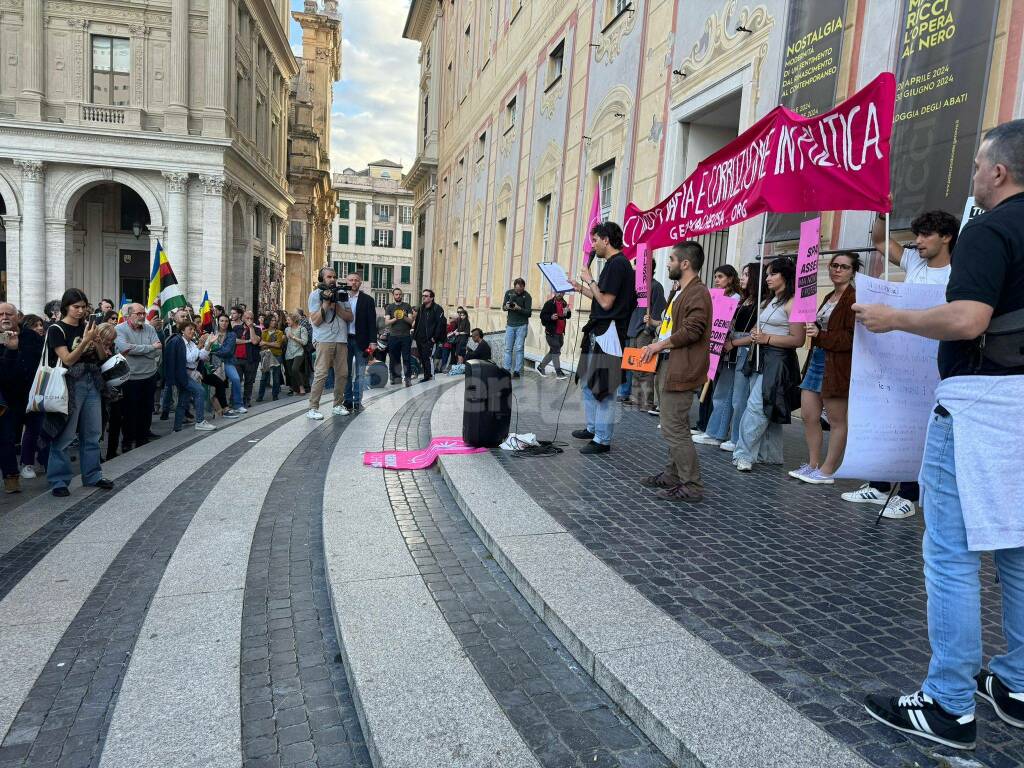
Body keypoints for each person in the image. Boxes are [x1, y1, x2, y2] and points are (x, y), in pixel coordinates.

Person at [859, 120, 1024, 752]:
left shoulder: (990, 228)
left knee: (950, 554)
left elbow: (967, 318)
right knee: (1016, 546)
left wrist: (895, 316)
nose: (975, 176)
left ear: (999, 172)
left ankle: (949, 703)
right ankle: (1015, 683)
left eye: (979, 165)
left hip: (979, 402)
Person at [841, 207, 960, 518]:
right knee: (892, 418)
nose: (918, 241)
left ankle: (910, 493)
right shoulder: (913, 260)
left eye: (925, 235)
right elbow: (880, 242)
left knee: (920, 424)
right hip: (900, 353)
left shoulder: (958, 272)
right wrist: (882, 213)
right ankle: (879, 485)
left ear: (946, 237)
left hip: (932, 358)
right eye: (917, 234)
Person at [638, 242, 712, 502]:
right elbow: (672, 326)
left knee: (673, 427)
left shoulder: (698, 293)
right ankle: (673, 473)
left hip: (680, 366)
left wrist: (658, 344)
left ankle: (692, 485)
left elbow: (693, 330)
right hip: (669, 363)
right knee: (673, 425)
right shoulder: (682, 291)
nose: (667, 263)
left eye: (671, 259)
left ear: (685, 264)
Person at [790, 252, 858, 484]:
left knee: (837, 419)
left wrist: (822, 334)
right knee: (809, 414)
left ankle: (828, 470)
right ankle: (812, 464)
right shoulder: (829, 295)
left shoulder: (853, 298)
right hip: (817, 360)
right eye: (834, 265)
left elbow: (851, 338)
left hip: (837, 364)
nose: (837, 270)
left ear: (853, 271)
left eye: (844, 267)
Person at [731, 258, 806, 472]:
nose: (768, 278)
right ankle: (771, 454)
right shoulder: (769, 301)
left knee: (756, 407)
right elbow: (758, 329)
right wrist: (753, 336)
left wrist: (767, 338)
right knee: (767, 406)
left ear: (785, 276)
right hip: (760, 356)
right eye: (767, 274)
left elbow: (798, 340)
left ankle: (744, 454)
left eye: (773, 274)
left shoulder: (794, 303)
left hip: (778, 360)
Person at [570, 221, 637, 454]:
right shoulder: (613, 263)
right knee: (589, 382)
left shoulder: (618, 264)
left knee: (605, 387)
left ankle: (602, 439)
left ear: (606, 240)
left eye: (596, 240)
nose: (594, 245)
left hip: (610, 334)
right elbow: (603, 298)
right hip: (599, 330)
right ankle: (593, 427)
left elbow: (607, 303)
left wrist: (589, 279)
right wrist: (580, 288)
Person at [45, 289, 115, 498]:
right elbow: (67, 359)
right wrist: (85, 341)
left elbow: (101, 357)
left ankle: (92, 475)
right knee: (65, 435)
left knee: (92, 433)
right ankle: (59, 480)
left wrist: (97, 342)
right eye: (76, 307)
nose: (80, 311)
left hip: (92, 382)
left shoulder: (87, 326)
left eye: (83, 307)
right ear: (66, 306)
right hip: (68, 384)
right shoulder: (56, 329)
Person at [693, 265, 742, 446]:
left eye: (720, 276)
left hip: (728, 351)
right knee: (716, 392)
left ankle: (716, 432)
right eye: (715, 276)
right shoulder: (717, 297)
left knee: (723, 393)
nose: (717, 280)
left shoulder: (736, 299)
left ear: (730, 279)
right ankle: (711, 430)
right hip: (716, 349)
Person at [114, 303, 162, 456]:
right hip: (130, 377)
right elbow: (124, 349)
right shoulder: (119, 329)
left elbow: (158, 350)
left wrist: (139, 350)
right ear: (129, 315)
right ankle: (127, 441)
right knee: (129, 412)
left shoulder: (150, 328)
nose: (142, 316)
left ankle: (142, 439)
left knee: (147, 410)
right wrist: (149, 348)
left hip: (149, 375)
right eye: (138, 314)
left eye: (143, 313)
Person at [307, 266, 353, 420]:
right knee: (321, 374)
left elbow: (349, 317)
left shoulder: (342, 295)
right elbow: (316, 321)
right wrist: (326, 304)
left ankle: (338, 405)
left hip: (341, 339)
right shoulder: (315, 295)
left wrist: (336, 306)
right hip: (324, 339)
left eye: (334, 277)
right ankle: (313, 408)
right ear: (322, 279)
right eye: (329, 277)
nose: (332, 280)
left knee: (343, 373)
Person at [618, 261, 668, 402]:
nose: (636, 270)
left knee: (645, 367)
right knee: (634, 367)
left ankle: (647, 400)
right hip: (632, 330)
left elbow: (658, 311)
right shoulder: (636, 287)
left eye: (639, 267)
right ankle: (636, 397)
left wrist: (648, 330)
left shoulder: (656, 287)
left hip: (643, 332)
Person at [165, 321, 215, 432]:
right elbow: (189, 358)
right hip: (182, 375)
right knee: (200, 391)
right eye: (190, 329)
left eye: (194, 329)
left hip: (189, 374)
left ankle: (176, 429)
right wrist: (200, 344)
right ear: (182, 331)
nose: (193, 331)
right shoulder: (178, 341)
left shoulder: (191, 343)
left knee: (183, 400)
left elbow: (201, 356)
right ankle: (200, 421)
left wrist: (208, 344)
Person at [17, 315, 48, 479]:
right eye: (35, 325)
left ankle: (39, 460)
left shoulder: (40, 342)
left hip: (38, 390)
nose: (40, 328)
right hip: (28, 392)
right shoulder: (30, 341)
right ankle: (28, 463)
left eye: (41, 324)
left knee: (38, 427)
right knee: (34, 428)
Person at [0, 302, 26, 493]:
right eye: (0, 314)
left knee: (6, 439)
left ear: (17, 317)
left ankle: (11, 477)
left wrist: (12, 350)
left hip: (13, 399)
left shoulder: (29, 337)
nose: (4, 317)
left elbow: (16, 374)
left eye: (9, 314)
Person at [344, 273, 378, 411]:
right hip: (344, 340)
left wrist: (373, 342)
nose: (353, 282)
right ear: (347, 282)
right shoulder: (341, 298)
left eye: (356, 280)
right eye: (351, 280)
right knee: (345, 373)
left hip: (361, 341)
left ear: (360, 283)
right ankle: (347, 400)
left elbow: (372, 322)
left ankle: (357, 401)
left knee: (360, 372)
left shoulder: (368, 300)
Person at [207, 315, 243, 417]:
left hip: (227, 361)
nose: (224, 323)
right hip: (214, 363)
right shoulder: (212, 334)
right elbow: (207, 348)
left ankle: (238, 405)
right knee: (218, 385)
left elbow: (228, 351)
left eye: (226, 321)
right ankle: (219, 407)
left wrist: (213, 351)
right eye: (222, 321)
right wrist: (212, 350)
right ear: (218, 322)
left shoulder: (232, 334)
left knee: (236, 379)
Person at [412, 288, 446, 382]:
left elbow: (440, 324)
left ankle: (430, 376)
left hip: (430, 339)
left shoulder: (437, 308)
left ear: (431, 298)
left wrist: (434, 338)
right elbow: (418, 321)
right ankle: (426, 376)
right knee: (423, 357)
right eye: (423, 296)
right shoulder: (422, 307)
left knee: (428, 358)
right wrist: (415, 335)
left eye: (426, 296)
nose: (424, 297)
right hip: (420, 338)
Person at [502, 278, 532, 378]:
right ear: (514, 287)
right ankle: (506, 370)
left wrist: (518, 308)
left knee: (519, 349)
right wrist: (506, 307)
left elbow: (529, 313)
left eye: (520, 289)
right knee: (507, 349)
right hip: (510, 324)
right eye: (516, 289)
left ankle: (517, 371)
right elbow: (503, 308)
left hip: (522, 325)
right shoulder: (508, 293)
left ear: (523, 287)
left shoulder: (527, 296)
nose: (518, 291)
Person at [384, 287, 415, 386]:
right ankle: (395, 377)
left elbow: (411, 322)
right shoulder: (390, 307)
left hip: (405, 336)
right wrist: (396, 318)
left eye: (400, 294)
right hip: (393, 336)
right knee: (394, 358)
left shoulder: (407, 306)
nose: (398, 296)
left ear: (402, 295)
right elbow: (387, 322)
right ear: (393, 296)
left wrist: (404, 316)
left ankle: (408, 378)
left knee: (406, 358)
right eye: (396, 294)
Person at [538, 292, 572, 379]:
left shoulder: (564, 303)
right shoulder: (549, 303)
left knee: (553, 351)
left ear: (564, 293)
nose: (560, 294)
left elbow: (568, 316)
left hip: (560, 332)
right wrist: (551, 317)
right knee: (556, 350)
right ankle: (558, 372)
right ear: (555, 292)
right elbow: (542, 316)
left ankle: (541, 367)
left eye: (561, 292)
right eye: (558, 292)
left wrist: (567, 312)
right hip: (551, 332)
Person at [233, 309, 262, 410]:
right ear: (243, 318)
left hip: (251, 359)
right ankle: (235, 400)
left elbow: (254, 341)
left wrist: (251, 328)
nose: (249, 320)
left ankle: (246, 400)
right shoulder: (237, 328)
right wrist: (247, 341)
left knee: (249, 381)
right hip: (237, 359)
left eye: (251, 318)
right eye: (247, 318)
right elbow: (234, 340)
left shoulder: (257, 329)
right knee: (237, 380)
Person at [257, 313, 285, 402]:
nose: (274, 322)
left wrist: (266, 343)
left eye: (274, 320)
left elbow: (278, 344)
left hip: (277, 355)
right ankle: (260, 396)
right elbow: (261, 345)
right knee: (264, 376)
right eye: (272, 320)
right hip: (266, 356)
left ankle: (275, 395)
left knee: (276, 377)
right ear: (268, 321)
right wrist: (269, 344)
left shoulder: (279, 332)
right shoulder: (264, 332)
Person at [284, 313, 309, 396]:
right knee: (291, 372)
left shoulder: (302, 329)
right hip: (289, 353)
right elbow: (287, 340)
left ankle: (301, 387)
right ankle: (295, 389)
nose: (287, 321)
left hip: (299, 352)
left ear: (294, 320)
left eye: (288, 320)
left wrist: (293, 337)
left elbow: (304, 342)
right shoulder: (287, 329)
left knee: (295, 368)